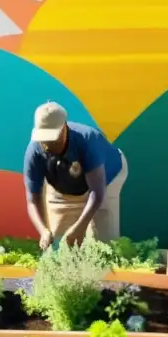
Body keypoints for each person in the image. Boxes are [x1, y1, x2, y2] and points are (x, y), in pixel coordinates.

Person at [23, 101, 128, 250]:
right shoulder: (34, 151)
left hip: (106, 178)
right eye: (43, 139)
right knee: (59, 244)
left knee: (102, 243)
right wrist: (43, 230)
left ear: (64, 129)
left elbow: (97, 193)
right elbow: (32, 199)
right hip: (62, 181)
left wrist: (80, 226)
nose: (47, 145)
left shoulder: (87, 140)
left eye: (52, 138)